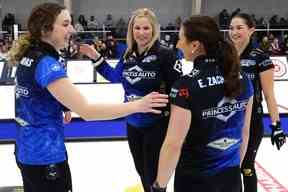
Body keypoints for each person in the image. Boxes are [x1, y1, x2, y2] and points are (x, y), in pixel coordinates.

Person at [8, 3, 168, 192]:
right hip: (45, 156)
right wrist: (138, 105)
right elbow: (88, 111)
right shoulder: (47, 63)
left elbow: (35, 94)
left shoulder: (31, 55)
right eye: (66, 24)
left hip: (27, 149)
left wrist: (63, 104)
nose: (73, 29)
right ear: (46, 29)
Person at [79, 8, 183, 192]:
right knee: (141, 171)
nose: (141, 33)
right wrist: (95, 56)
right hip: (133, 124)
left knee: (154, 175)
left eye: (146, 28)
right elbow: (114, 76)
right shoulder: (128, 55)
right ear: (131, 30)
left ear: (154, 30)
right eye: (137, 28)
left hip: (157, 125)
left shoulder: (165, 55)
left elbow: (178, 90)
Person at [152, 15, 254, 192]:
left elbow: (173, 144)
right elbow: (244, 133)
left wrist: (159, 186)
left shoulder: (185, 86)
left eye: (181, 39)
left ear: (195, 45)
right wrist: (232, 168)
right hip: (231, 178)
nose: (177, 45)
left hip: (194, 180)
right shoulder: (243, 78)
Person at [229, 13, 286, 192]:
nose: (234, 32)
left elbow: (269, 95)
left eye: (239, 27)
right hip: (227, 121)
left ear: (251, 30)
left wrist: (276, 126)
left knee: (246, 167)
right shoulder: (225, 55)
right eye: (231, 28)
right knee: (227, 170)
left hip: (252, 121)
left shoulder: (260, 58)